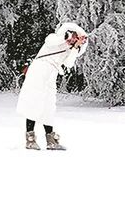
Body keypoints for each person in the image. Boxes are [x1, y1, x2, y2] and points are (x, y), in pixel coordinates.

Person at [16, 22, 88, 151]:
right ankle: (30, 138)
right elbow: (51, 41)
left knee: (48, 105)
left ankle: (50, 139)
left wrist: (75, 48)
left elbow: (69, 63)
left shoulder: (69, 50)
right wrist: (68, 39)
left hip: (51, 74)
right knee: (34, 101)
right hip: (40, 70)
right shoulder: (55, 38)